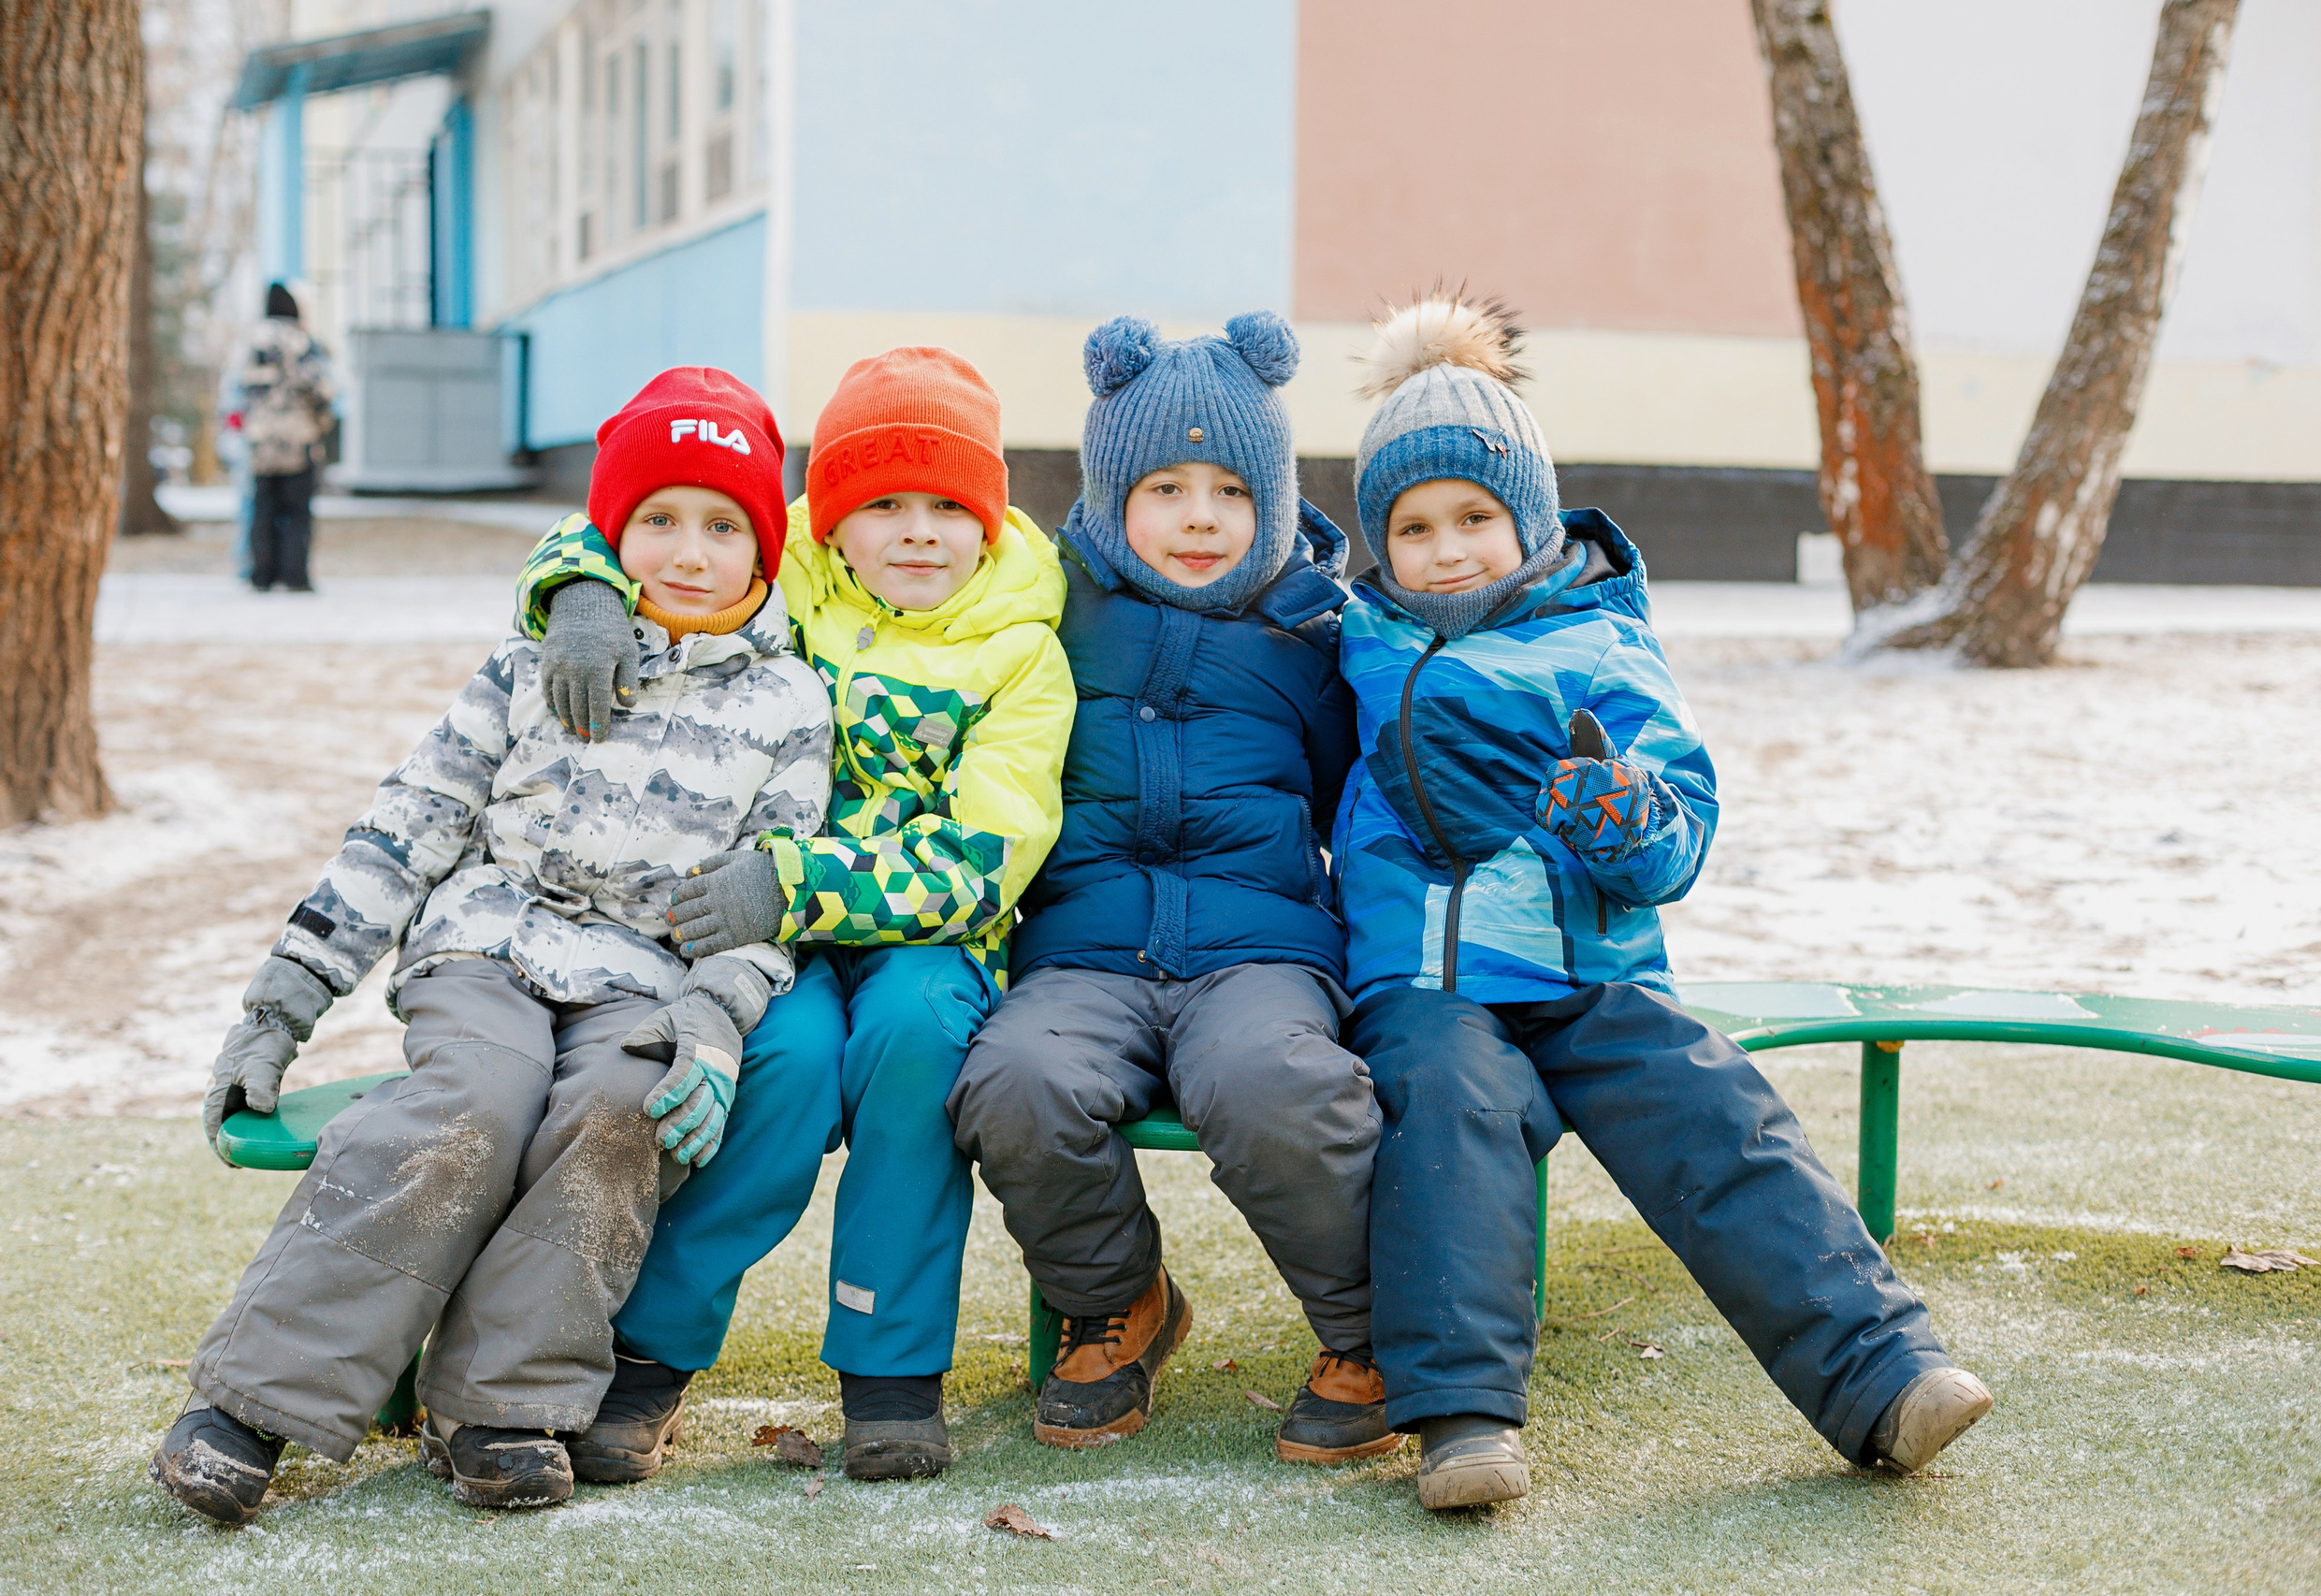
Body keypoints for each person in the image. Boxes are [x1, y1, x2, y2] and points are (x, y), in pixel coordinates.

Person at [1332, 297, 1994, 1510]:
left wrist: (1624, 814)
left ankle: (1884, 1373)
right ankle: (1465, 1420)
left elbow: (1680, 831)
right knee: (1448, 1108)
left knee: (1716, 1115)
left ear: (1529, 517)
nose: (1446, 550)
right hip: (1428, 980)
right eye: (1412, 527)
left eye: (1474, 517)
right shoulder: (1358, 639)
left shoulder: (1601, 644)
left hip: (1593, 974)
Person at [151, 368, 834, 1523]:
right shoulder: (530, 662)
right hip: (488, 951)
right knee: (473, 1103)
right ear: (610, 532)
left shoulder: (791, 702)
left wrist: (716, 1011)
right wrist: (282, 1003)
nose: (689, 551)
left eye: (724, 526)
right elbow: (406, 825)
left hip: (647, 978)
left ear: (764, 547)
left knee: (622, 1111)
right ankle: (254, 1399)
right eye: (659, 519)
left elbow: (780, 889)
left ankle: (502, 1406)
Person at [519, 346, 1074, 1481]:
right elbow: (645, 521)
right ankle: (653, 1351)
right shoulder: (792, 575)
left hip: (929, 940)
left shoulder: (1022, 646)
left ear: (987, 520)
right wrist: (576, 590)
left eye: (947, 508)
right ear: (829, 518)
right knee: (787, 1061)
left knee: (911, 1044)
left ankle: (890, 1370)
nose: (917, 533)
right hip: (773, 946)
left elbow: (982, 855)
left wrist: (797, 878)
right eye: (883, 505)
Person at [947, 315, 1390, 1462]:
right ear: (1109, 496)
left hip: (1260, 952)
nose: (1200, 517)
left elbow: (1359, 795)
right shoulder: (1047, 607)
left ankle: (1368, 1329)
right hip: (1084, 954)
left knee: (1272, 1083)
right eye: (1165, 488)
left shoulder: (1312, 635)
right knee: (1016, 1078)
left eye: (1232, 492)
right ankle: (1120, 1298)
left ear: (1273, 503)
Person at [230, 282, 336, 592]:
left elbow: (233, 391)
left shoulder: (248, 343)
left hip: (259, 442)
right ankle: (295, 575)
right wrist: (321, 425)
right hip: (298, 441)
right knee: (297, 511)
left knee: (262, 509)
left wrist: (243, 427)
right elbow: (322, 389)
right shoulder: (302, 342)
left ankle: (261, 574)